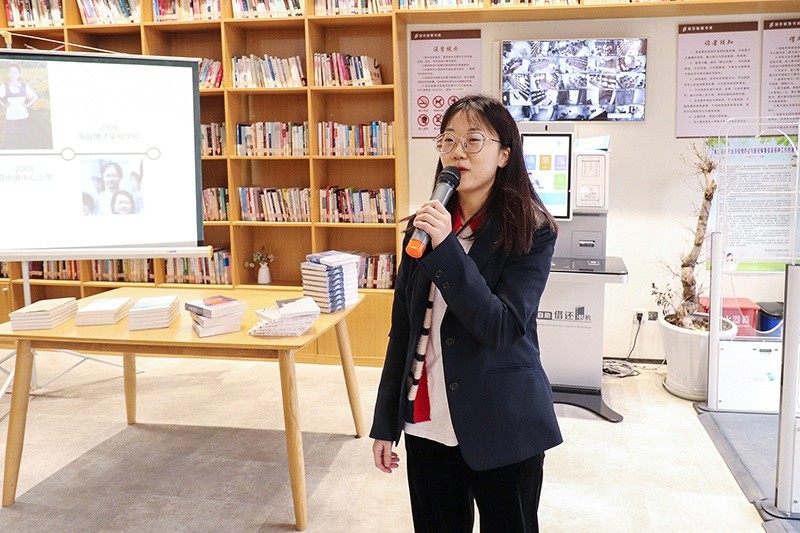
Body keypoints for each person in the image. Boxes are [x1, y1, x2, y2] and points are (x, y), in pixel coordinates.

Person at [370, 94, 563, 532]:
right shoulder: (422, 228)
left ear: (504, 154)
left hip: (503, 421)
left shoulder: (532, 230)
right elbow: (402, 332)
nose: (458, 151)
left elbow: (501, 327)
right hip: (427, 420)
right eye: (448, 140)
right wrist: (385, 423)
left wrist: (447, 249)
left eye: (474, 140)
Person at [0, 62, 38, 149]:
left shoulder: (24, 86)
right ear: (8, 73)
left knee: (24, 136)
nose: (13, 74)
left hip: (23, 116)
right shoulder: (4, 86)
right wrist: (4, 105)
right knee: (10, 137)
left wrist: (27, 105)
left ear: (19, 74)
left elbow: (35, 96)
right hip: (10, 117)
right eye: (11, 72)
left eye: (15, 72)